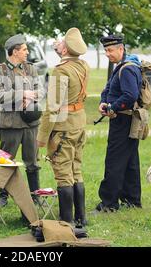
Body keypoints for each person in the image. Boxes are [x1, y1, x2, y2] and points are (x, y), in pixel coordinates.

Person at [36, 28, 90, 226]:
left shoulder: (61, 70)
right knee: (76, 170)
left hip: (63, 126)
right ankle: (81, 219)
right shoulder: (83, 65)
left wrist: (42, 136)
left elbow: (52, 107)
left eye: (61, 43)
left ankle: (66, 221)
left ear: (66, 50)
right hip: (78, 122)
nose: (58, 44)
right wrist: (62, 50)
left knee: (63, 173)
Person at [93, 34, 143, 213]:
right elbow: (108, 88)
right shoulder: (121, 66)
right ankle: (132, 200)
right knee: (130, 162)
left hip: (123, 119)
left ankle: (109, 204)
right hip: (125, 119)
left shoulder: (128, 68)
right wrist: (103, 101)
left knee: (114, 162)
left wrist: (112, 107)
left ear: (121, 49)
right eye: (105, 50)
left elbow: (130, 96)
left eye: (110, 50)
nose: (107, 53)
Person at [0, 34, 42, 207]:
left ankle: (36, 195)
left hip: (30, 123)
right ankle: (3, 196)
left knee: (33, 162)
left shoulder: (31, 69)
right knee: (6, 160)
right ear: (15, 51)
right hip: (10, 123)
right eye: (24, 49)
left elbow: (41, 91)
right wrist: (22, 94)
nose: (27, 52)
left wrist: (32, 97)